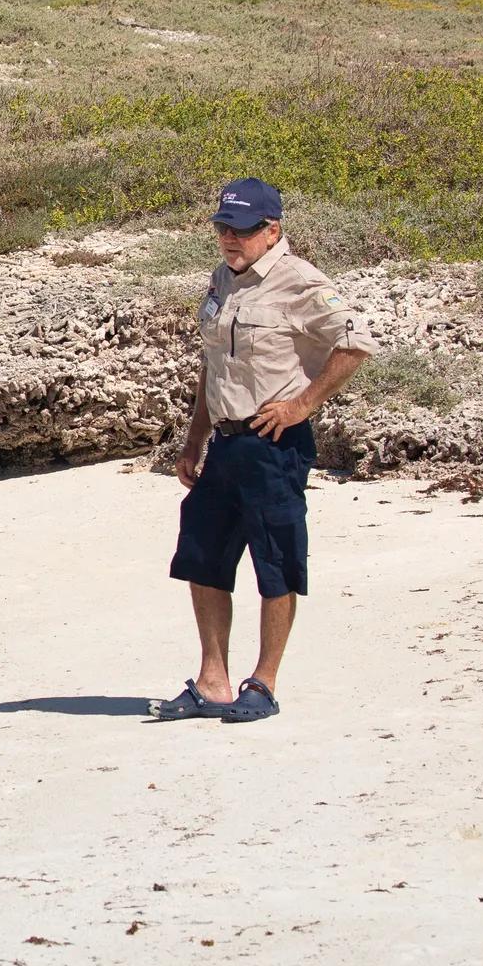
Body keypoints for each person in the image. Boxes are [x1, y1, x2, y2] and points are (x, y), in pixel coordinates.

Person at [152, 178, 375, 723]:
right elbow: (214, 366)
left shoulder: (301, 282)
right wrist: (194, 437)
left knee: (275, 563)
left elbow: (357, 341)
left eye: (244, 230)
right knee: (202, 557)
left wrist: (303, 404)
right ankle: (213, 682)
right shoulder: (221, 280)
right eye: (223, 228)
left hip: (274, 443)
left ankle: (265, 682)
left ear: (272, 230)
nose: (231, 238)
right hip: (223, 443)